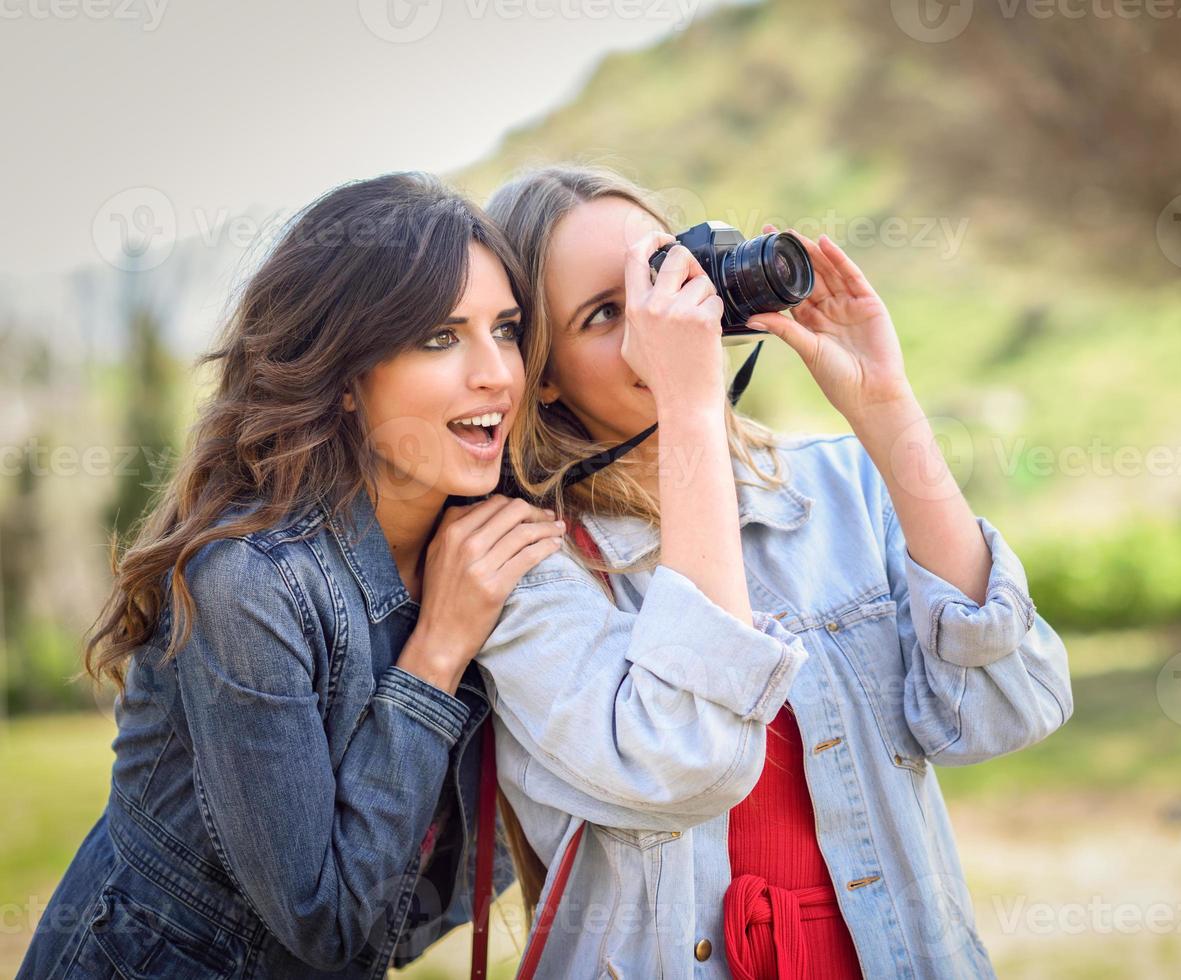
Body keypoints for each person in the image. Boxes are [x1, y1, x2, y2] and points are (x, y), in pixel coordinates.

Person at [476, 164, 1073, 979]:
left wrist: (886, 409)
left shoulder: (838, 484)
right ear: (540, 375)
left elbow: (1006, 712)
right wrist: (687, 404)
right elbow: (685, 757)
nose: (661, 323)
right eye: (608, 314)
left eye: (659, 279)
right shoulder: (526, 567)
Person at [19, 173, 562, 979]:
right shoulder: (249, 583)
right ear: (344, 377)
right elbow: (328, 921)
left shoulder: (489, 547)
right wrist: (437, 652)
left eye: (507, 329)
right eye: (441, 338)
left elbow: (425, 898)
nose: (497, 375)